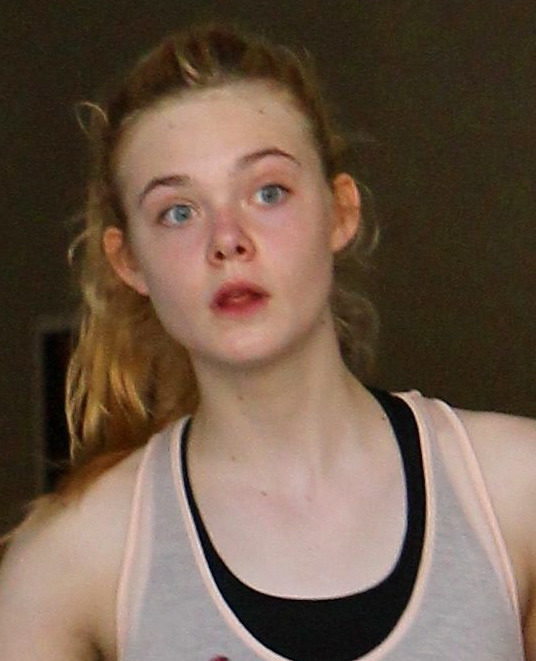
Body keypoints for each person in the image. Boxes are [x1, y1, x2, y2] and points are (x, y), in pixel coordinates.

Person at [0, 23, 535, 661]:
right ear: (129, 262)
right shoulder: (71, 563)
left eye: (268, 192)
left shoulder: (515, 489)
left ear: (340, 211)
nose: (228, 239)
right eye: (178, 211)